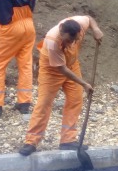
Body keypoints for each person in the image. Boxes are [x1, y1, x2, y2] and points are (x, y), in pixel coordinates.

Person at [19, 15, 103, 156]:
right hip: (52, 70)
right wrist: (83, 84)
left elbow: (89, 18)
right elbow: (61, 69)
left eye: (75, 40)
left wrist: (96, 29)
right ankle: (31, 141)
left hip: (72, 65)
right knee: (44, 103)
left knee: (75, 100)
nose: (72, 43)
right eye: (69, 40)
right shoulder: (52, 40)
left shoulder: (79, 25)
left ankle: (68, 140)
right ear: (62, 32)